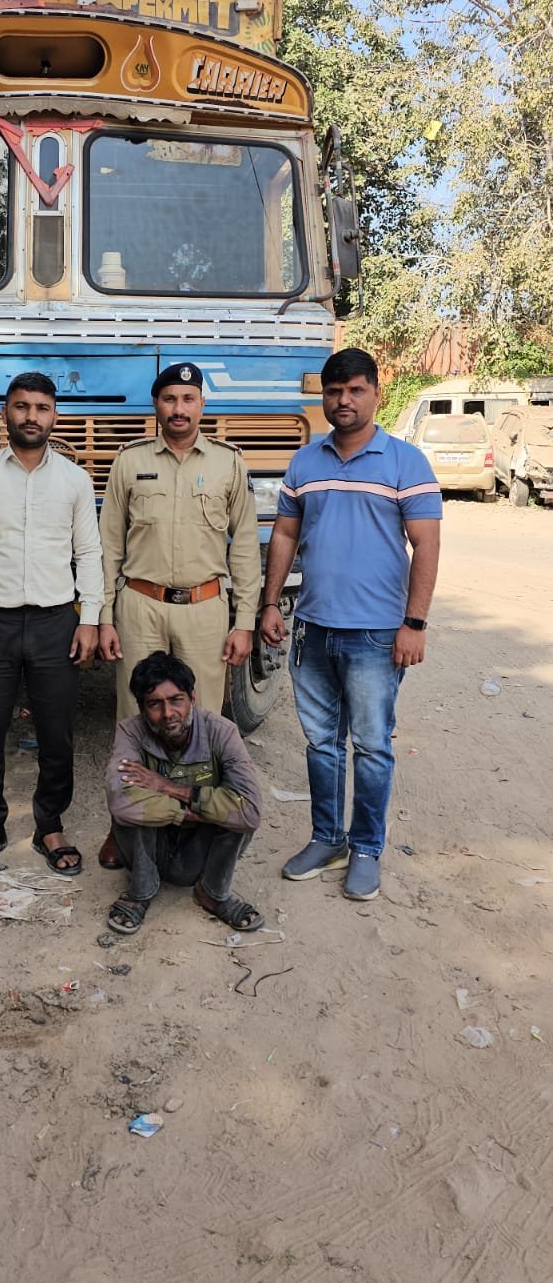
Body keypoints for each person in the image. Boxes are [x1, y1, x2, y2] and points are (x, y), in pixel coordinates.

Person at [260, 348, 442, 901]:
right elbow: (285, 535)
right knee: (321, 744)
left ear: (376, 395)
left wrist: (415, 623)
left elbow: (426, 544)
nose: (344, 400)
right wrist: (271, 604)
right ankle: (327, 839)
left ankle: (365, 848)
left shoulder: (405, 462)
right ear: (324, 396)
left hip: (376, 635)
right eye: (335, 391)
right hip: (313, 628)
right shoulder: (304, 462)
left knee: (371, 746)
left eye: (356, 390)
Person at [97, 361, 260, 868]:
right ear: (157, 406)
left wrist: (245, 621)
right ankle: (124, 827)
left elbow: (245, 547)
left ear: (202, 405)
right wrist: (104, 615)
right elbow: (108, 546)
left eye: (188, 399)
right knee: (134, 718)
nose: (179, 408)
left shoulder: (229, 464)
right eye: (169, 399)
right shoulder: (129, 461)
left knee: (202, 720)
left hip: (204, 608)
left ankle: (202, 830)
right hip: (140, 605)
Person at [0, 372, 103, 876]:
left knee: (57, 731)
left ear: (54, 416)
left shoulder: (75, 481)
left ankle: (49, 824)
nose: (31, 416)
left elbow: (88, 552)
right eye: (21, 406)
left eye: (41, 407)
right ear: (5, 413)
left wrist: (89, 618)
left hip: (57, 622)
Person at [104, 651, 263, 934]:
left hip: (199, 850)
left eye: (176, 700)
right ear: (142, 708)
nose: (168, 714)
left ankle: (212, 893)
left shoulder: (222, 731)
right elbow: (121, 800)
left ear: (193, 698)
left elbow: (249, 811)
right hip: (151, 847)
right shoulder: (130, 731)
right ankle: (141, 891)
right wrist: (191, 811)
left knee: (238, 814)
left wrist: (168, 787)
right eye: (155, 704)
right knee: (133, 812)